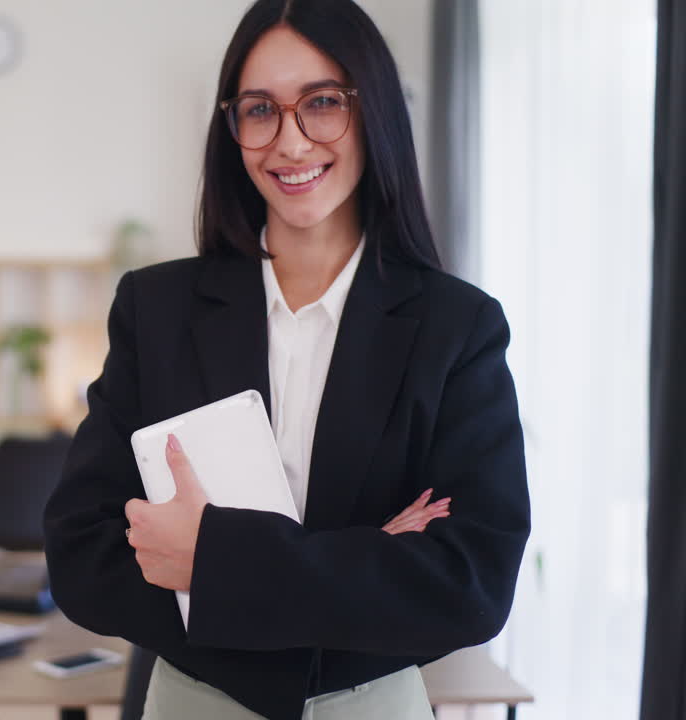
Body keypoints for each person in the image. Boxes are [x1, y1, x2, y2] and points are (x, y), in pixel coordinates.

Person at [41, 1, 531, 719]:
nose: (291, 142)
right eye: (260, 109)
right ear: (231, 127)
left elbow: (470, 582)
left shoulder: (458, 328)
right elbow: (82, 554)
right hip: (195, 703)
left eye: (324, 102)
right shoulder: (157, 309)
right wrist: (363, 561)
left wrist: (210, 561)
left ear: (376, 112)